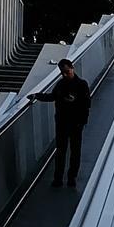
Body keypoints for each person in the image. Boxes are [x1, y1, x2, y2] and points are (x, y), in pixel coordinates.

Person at [27, 57, 90, 188]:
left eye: (67, 71)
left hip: (75, 123)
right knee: (61, 150)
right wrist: (37, 96)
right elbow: (52, 96)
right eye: (63, 72)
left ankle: (71, 177)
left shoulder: (82, 84)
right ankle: (58, 178)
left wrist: (82, 122)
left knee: (74, 151)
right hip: (62, 122)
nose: (65, 74)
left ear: (72, 68)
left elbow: (86, 104)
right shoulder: (61, 85)